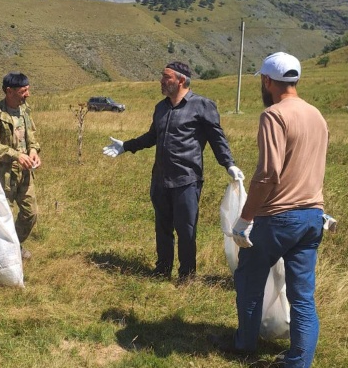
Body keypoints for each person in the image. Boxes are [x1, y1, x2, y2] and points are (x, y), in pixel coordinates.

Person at [210, 52, 329, 368]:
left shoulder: (274, 116)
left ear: (267, 81)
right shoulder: (317, 116)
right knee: (302, 297)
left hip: (277, 217)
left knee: (249, 279)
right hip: (312, 216)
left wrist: (244, 220)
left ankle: (244, 345)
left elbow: (268, 175)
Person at [103, 61, 243, 281]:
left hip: (186, 180)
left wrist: (229, 164)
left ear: (180, 80)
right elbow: (152, 137)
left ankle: (187, 275)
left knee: (186, 230)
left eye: (166, 77)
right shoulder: (161, 107)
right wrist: (126, 146)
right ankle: (162, 270)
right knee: (163, 228)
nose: (161, 80)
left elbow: (217, 139)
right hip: (160, 179)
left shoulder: (202, 106)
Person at [0, 73, 41, 258]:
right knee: (4, 217)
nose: (28, 94)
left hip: (25, 173)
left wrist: (33, 152)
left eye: (28, 90)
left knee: (30, 213)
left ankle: (14, 245)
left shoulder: (25, 110)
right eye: (24, 91)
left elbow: (31, 137)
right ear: (9, 91)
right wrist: (17, 156)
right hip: (4, 176)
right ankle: (2, 254)